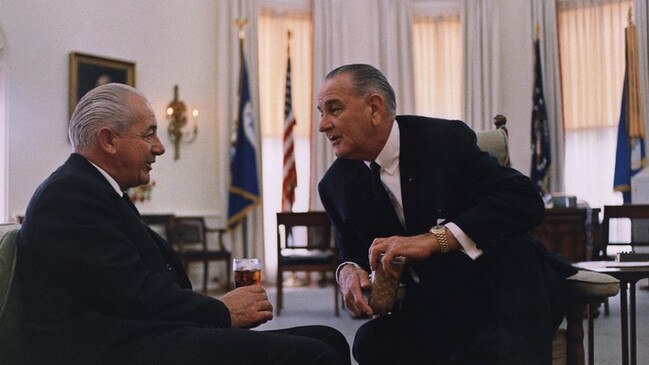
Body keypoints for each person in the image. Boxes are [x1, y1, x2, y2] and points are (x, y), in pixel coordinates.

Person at [17, 83, 350, 365]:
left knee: (330, 338)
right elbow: (134, 294)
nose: (159, 147)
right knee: (316, 355)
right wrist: (221, 312)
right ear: (108, 140)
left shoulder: (93, 188)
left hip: (143, 333)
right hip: (110, 349)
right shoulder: (69, 195)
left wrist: (214, 313)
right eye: (149, 134)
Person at [316, 64, 575, 365]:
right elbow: (350, 246)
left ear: (374, 108)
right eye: (321, 113)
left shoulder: (443, 140)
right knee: (369, 342)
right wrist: (348, 270)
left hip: (500, 288)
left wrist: (434, 240)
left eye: (333, 110)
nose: (323, 125)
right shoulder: (335, 184)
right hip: (438, 305)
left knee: (514, 254)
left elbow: (524, 199)